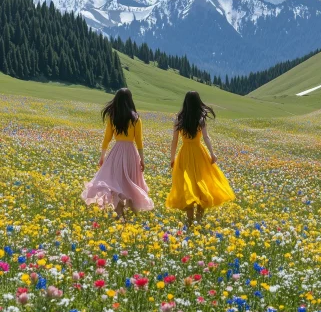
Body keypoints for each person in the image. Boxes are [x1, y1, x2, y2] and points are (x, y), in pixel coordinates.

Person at [81, 88, 154, 217]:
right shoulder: (136, 118)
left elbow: (107, 139)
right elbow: (139, 141)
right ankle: (131, 215)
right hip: (131, 153)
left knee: (117, 182)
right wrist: (142, 159)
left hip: (116, 153)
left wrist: (102, 156)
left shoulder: (113, 117)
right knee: (131, 183)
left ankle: (119, 212)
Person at [166, 91, 235, 226]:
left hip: (184, 153)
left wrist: (172, 157)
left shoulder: (179, 119)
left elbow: (174, 141)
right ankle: (198, 219)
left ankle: (190, 220)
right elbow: (206, 137)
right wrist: (212, 153)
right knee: (202, 183)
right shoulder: (200, 118)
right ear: (198, 103)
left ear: (185, 103)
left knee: (189, 184)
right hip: (199, 152)